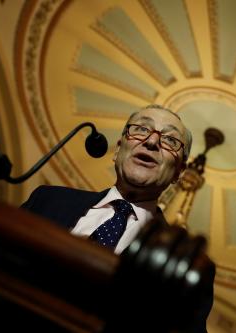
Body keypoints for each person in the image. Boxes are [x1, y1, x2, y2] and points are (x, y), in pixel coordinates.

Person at [21, 104, 214, 332]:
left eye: (170, 141)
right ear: (117, 150)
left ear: (178, 173)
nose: (152, 142)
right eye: (142, 129)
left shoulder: (185, 267)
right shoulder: (48, 200)